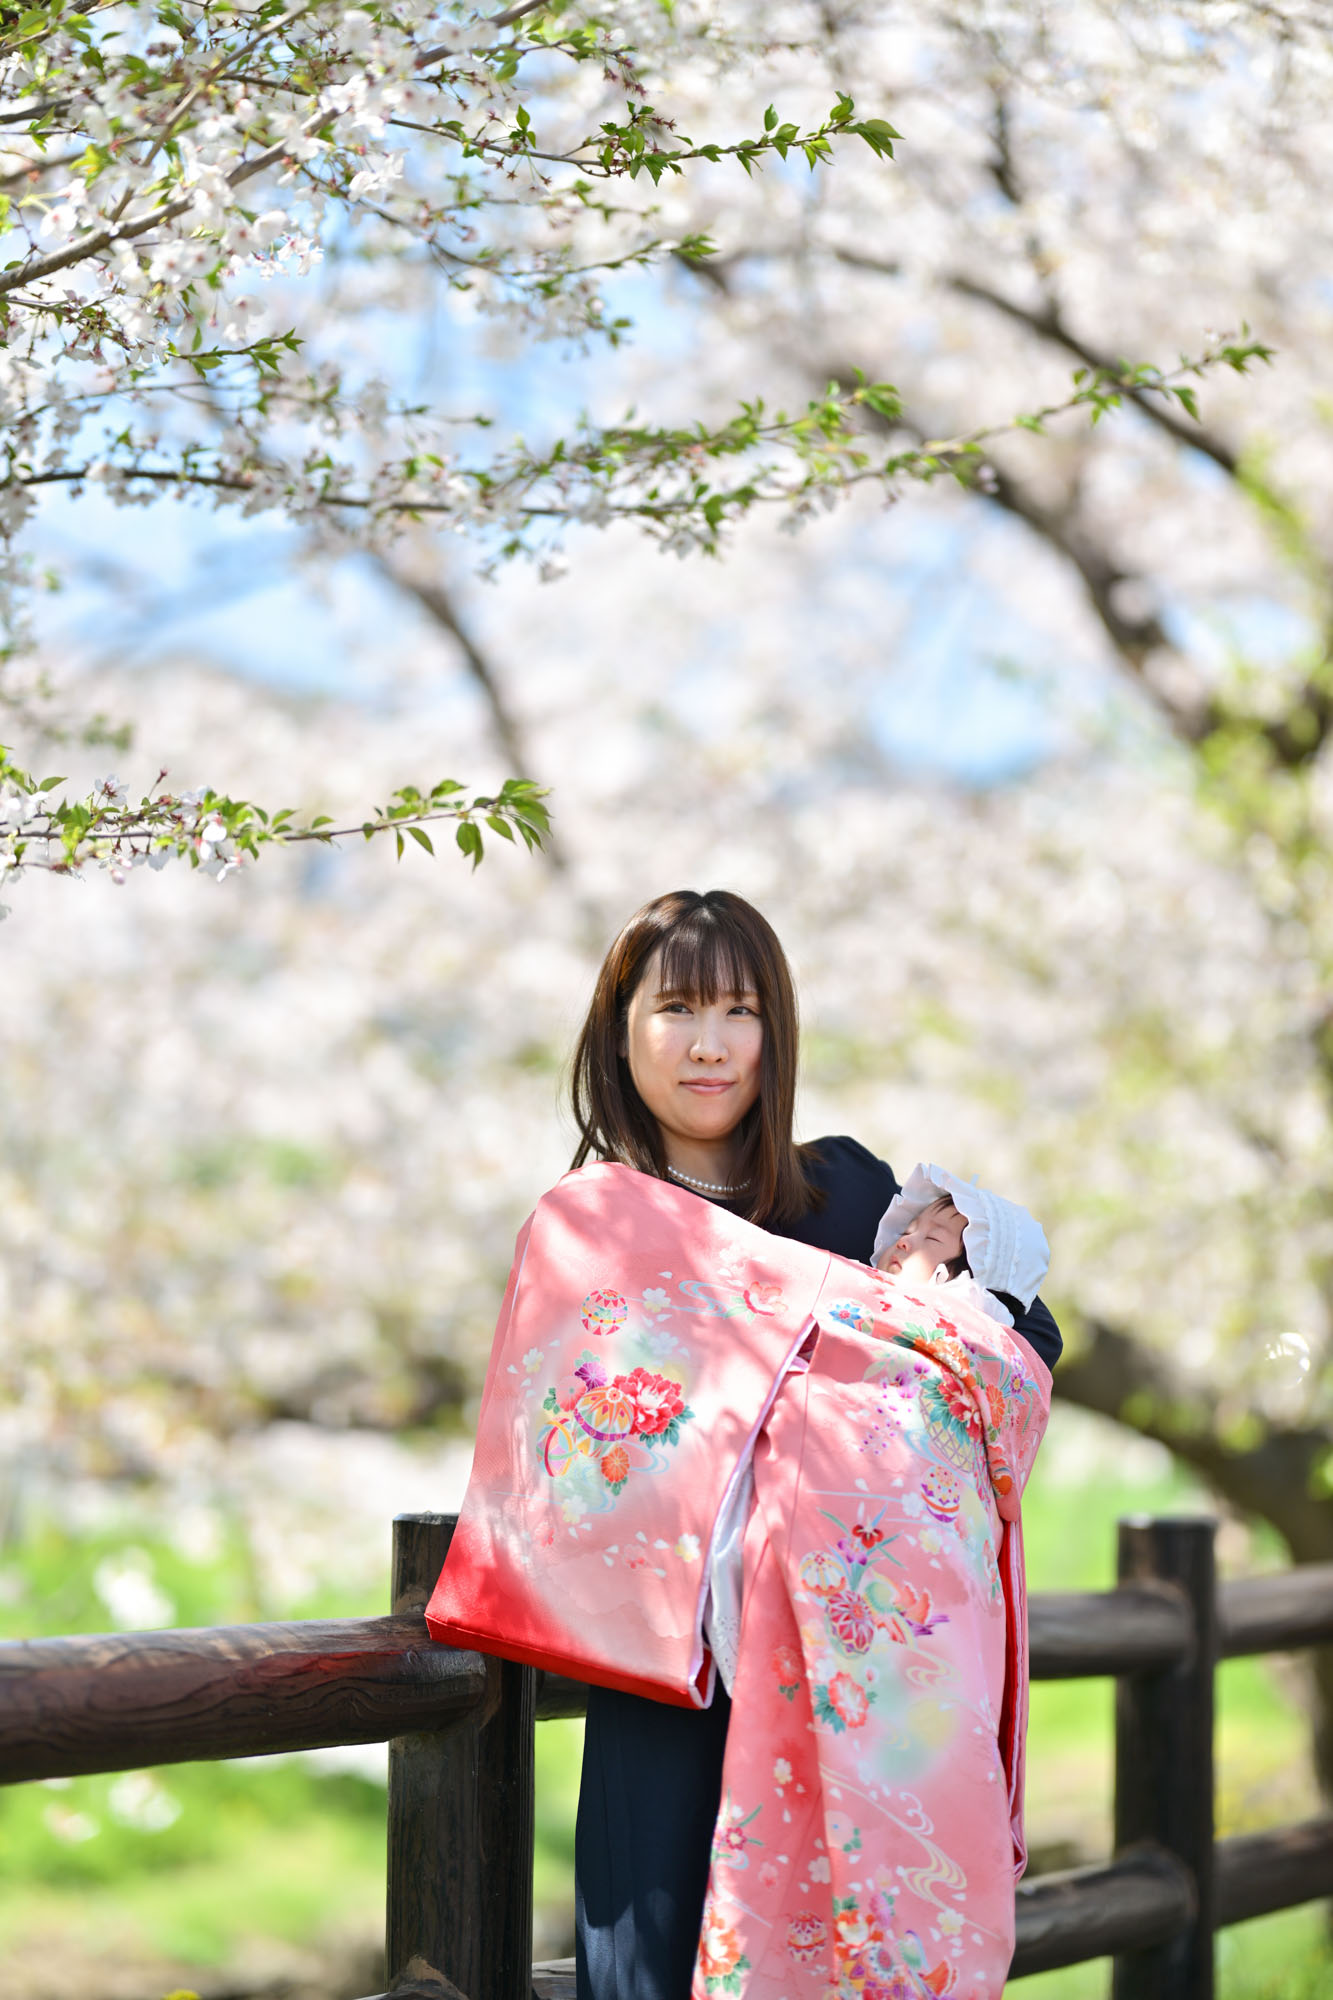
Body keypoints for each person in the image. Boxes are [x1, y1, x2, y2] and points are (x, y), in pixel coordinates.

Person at [567, 888, 1060, 2000]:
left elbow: (1018, 1348)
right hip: (677, 1695)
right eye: (676, 1007)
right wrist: (860, 1346)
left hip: (867, 1680)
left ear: (775, 1030)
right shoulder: (595, 1222)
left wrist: (919, 1311)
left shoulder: (849, 1194)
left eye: (738, 1011)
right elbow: (581, 1444)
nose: (708, 1043)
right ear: (619, 1029)